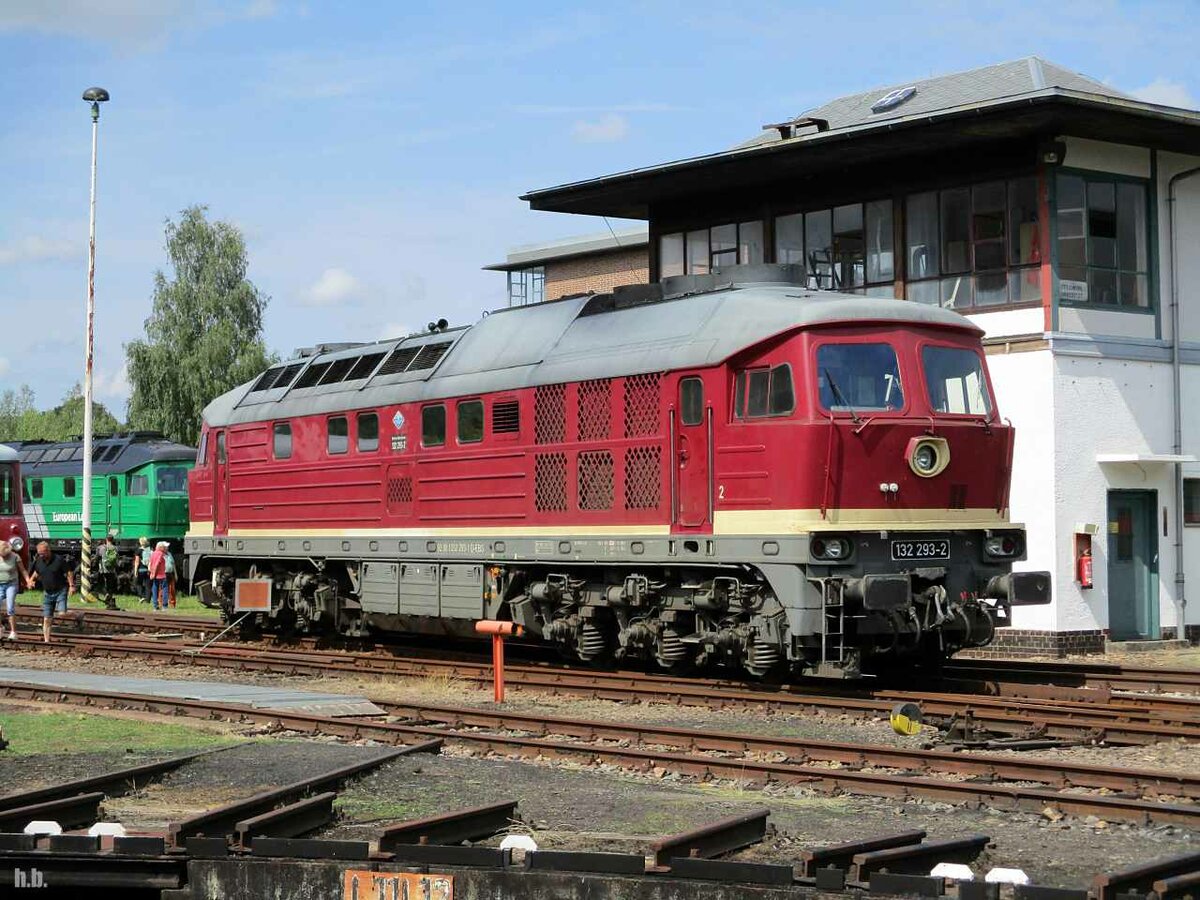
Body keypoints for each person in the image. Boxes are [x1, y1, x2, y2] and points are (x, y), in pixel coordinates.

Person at [27, 541, 75, 643]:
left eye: (43, 553)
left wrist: (71, 586)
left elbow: (69, 572)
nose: (41, 555)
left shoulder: (59, 560)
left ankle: (78, 615)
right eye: (39, 553)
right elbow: (36, 572)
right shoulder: (39, 561)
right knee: (47, 618)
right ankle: (47, 641)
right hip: (47, 592)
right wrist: (31, 580)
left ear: (48, 551)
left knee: (62, 614)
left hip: (60, 590)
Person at [0, 540, 32, 641]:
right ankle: (1, 628)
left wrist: (28, 581)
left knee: (10, 608)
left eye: (5, 554)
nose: (4, 556)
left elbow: (23, 570)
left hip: (11, 584)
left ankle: (13, 632)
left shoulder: (15, 557)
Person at [98, 535, 120, 610]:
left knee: (101, 583)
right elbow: (117, 557)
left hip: (103, 569)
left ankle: (106, 594)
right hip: (112, 569)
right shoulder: (115, 548)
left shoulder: (101, 547)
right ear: (112, 540)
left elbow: (98, 556)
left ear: (106, 539)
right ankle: (110, 596)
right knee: (110, 583)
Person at [148, 541, 168, 611]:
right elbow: (157, 564)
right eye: (164, 547)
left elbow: (150, 563)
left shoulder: (153, 553)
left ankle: (155, 606)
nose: (165, 548)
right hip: (161, 575)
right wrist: (154, 573)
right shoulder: (160, 554)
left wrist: (151, 572)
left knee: (154, 589)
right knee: (165, 589)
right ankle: (164, 606)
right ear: (160, 547)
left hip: (155, 575)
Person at [132, 537, 151, 603]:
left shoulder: (138, 551)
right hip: (148, 569)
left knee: (138, 583)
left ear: (140, 542)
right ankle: (148, 600)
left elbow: (137, 562)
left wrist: (135, 571)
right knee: (148, 585)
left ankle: (142, 596)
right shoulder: (150, 550)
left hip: (141, 570)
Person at [164, 544, 177, 608]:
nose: (167, 548)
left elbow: (173, 564)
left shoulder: (169, 554)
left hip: (170, 573)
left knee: (172, 589)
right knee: (163, 589)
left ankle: (172, 604)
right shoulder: (161, 555)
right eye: (166, 547)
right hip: (163, 574)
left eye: (167, 547)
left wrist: (176, 574)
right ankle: (163, 603)